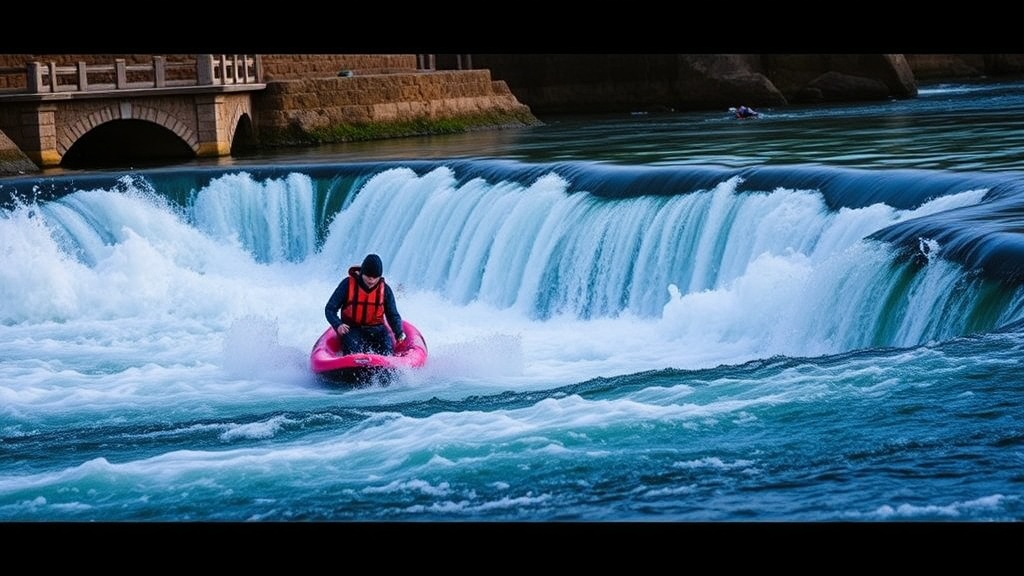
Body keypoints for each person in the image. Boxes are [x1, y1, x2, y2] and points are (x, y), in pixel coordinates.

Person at [324, 253, 405, 356]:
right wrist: (338, 325)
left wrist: (399, 332)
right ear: (361, 273)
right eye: (368, 276)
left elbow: (392, 315)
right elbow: (330, 309)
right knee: (354, 351)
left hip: (377, 330)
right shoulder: (347, 285)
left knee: (387, 350)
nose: (371, 280)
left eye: (375, 277)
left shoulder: (385, 290)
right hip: (352, 329)